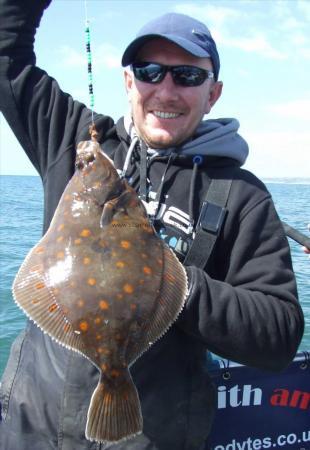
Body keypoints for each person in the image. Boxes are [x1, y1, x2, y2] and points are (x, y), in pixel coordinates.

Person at [0, 1, 304, 450]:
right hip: (32, 426)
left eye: (187, 76)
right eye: (149, 71)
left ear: (213, 93)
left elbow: (278, 335)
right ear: (128, 81)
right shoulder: (80, 140)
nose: (165, 89)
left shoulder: (241, 196)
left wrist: (170, 284)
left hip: (154, 437)